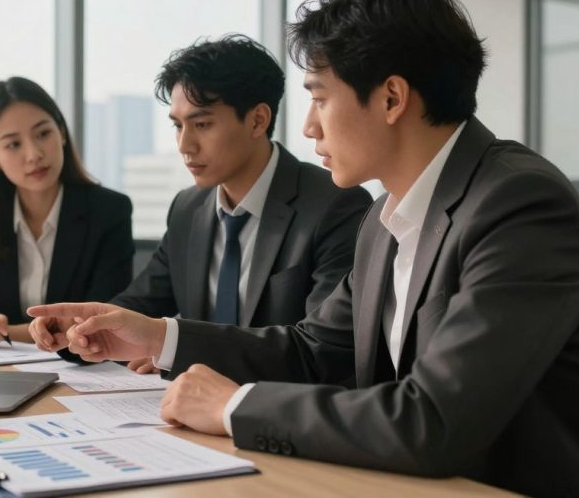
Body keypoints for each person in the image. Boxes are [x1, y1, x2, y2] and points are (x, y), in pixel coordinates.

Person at [28, 0, 579, 496]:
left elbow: (435, 422)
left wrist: (233, 406)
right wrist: (155, 337)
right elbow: (312, 350)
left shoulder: (518, 202)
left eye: (319, 97)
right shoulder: (385, 216)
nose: (311, 127)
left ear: (392, 97)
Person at [32, 35, 371, 373]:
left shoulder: (335, 206)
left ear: (257, 120)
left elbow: (321, 353)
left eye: (202, 124)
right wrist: (77, 327)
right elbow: (141, 303)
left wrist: (175, 351)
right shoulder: (188, 208)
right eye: (178, 126)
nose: (184, 145)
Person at [0, 76, 134, 348]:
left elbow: (106, 316)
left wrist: (7, 333)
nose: (34, 154)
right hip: (3, 374)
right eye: (13, 144)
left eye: (43, 134)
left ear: (62, 133)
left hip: (85, 370)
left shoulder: (109, 211)